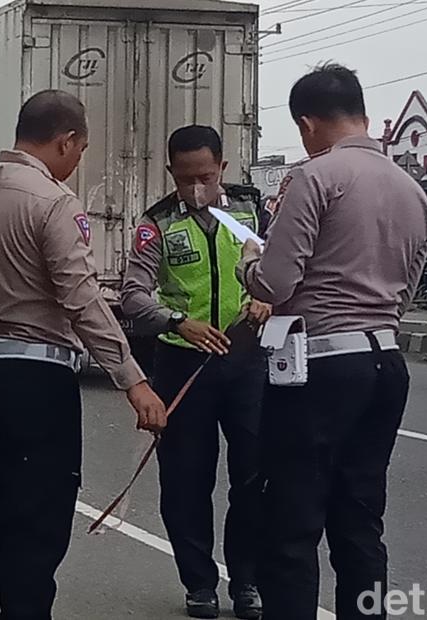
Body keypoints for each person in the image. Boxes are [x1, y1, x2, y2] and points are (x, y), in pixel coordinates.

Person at [0, 89, 167, 620]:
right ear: (65, 139)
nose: (78, 161)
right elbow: (81, 299)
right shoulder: (53, 203)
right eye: (79, 149)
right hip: (34, 379)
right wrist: (132, 379)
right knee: (36, 523)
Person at [237, 63, 427, 620]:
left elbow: (276, 283)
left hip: (320, 368)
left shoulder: (314, 178)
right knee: (360, 519)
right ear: (363, 115)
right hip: (385, 363)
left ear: (307, 124)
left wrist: (248, 265)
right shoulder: (412, 192)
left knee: (293, 524)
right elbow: (406, 294)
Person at [121, 125, 269, 620]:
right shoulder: (158, 224)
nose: (197, 189)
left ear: (223, 168)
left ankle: (247, 579)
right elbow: (134, 297)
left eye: (205, 176)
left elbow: (283, 268)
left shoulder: (249, 212)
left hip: (247, 362)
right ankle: (199, 583)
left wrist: (268, 296)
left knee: (254, 476)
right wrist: (178, 323)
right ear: (172, 175)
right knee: (186, 482)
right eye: (186, 180)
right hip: (183, 364)